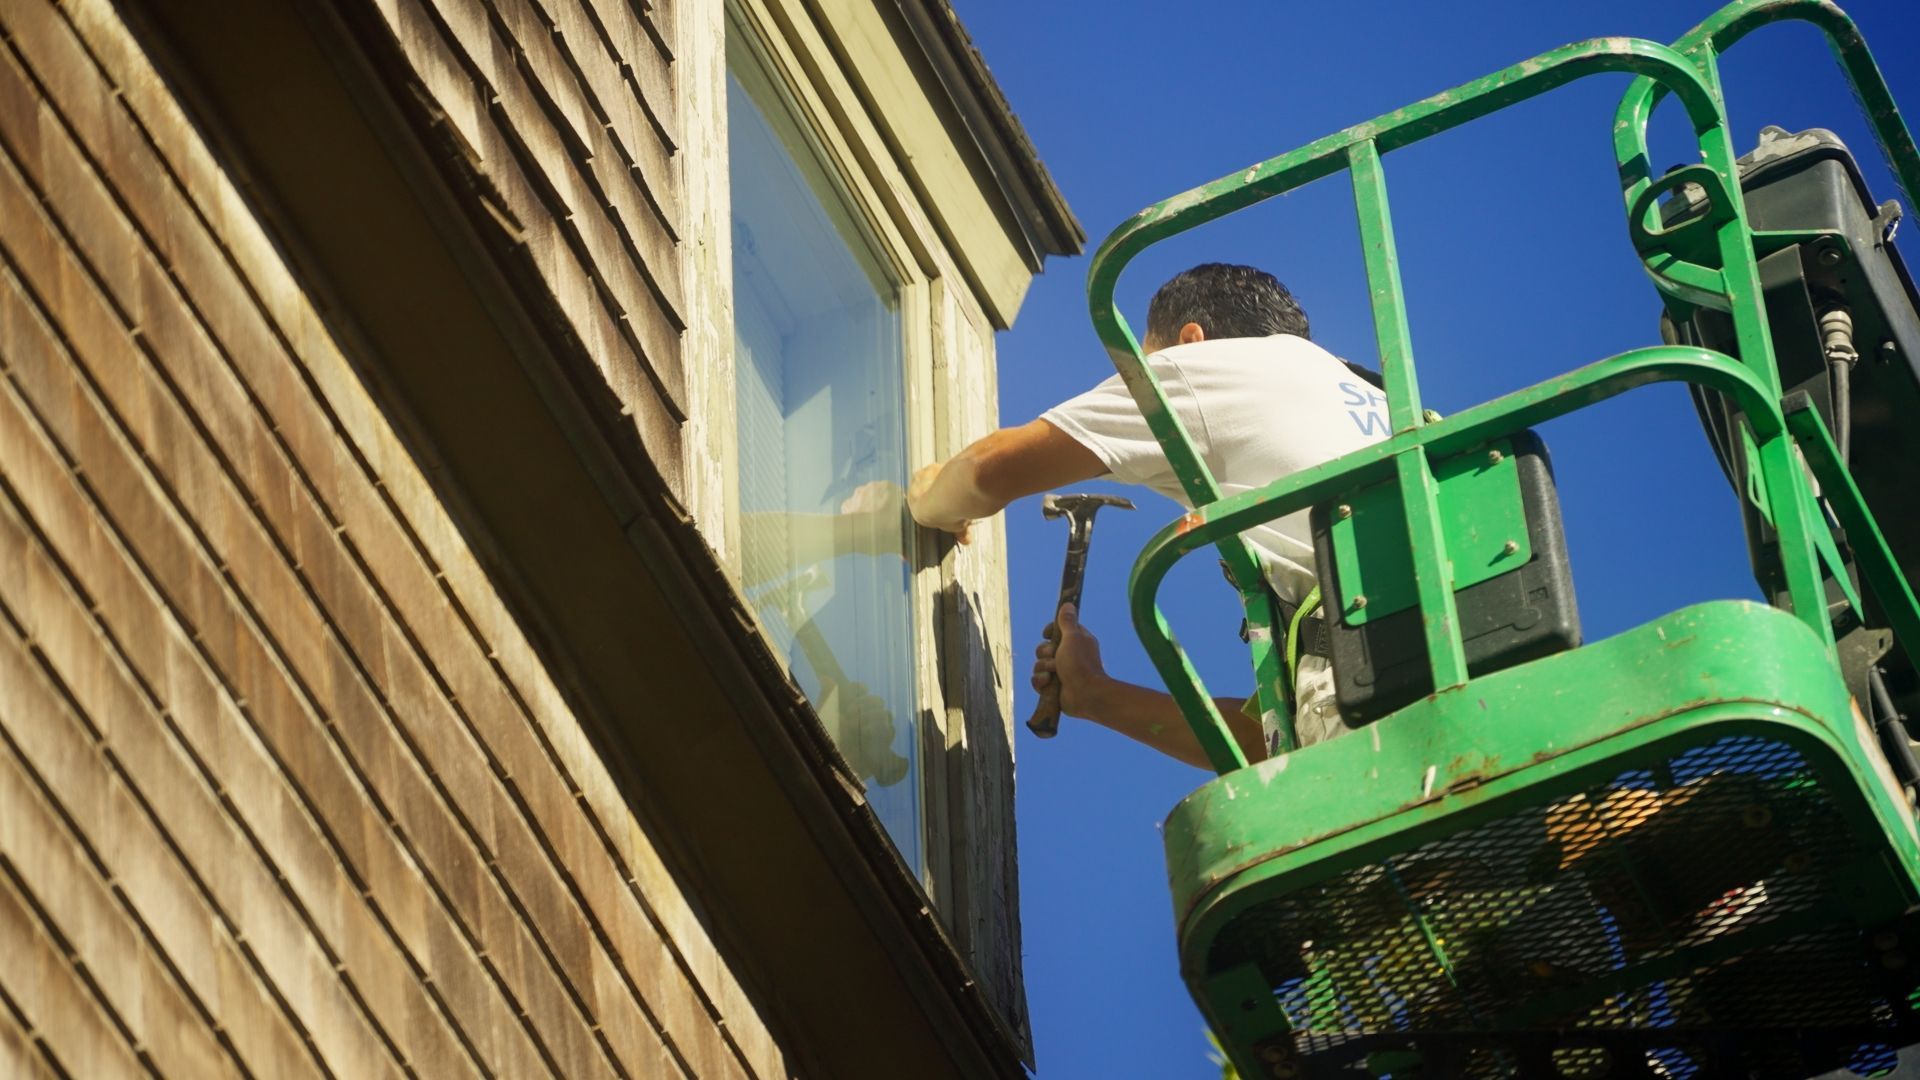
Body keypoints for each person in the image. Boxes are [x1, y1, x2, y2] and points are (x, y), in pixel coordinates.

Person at [906, 263, 1390, 768]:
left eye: (1143, 359)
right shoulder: (1383, 402)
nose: (1135, 377)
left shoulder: (1211, 366)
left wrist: (927, 497)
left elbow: (986, 474)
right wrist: (1097, 694)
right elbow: (1276, 744)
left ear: (1191, 338)